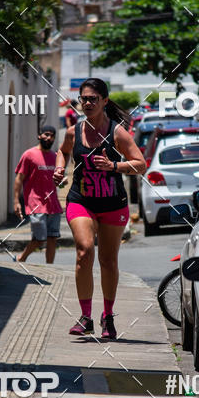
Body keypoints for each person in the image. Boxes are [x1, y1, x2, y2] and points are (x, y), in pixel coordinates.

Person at [53, 78, 146, 339]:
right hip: (80, 200)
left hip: (113, 203)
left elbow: (140, 164)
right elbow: (63, 151)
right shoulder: (74, 131)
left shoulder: (117, 132)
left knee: (107, 260)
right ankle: (85, 317)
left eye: (94, 98)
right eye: (84, 98)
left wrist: (115, 167)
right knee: (84, 251)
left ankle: (107, 316)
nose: (88, 103)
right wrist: (60, 169)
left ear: (105, 101)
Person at [14, 126, 62, 263]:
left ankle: (50, 267)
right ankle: (21, 258)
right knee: (40, 239)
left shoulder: (55, 157)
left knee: (53, 238)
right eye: (46, 134)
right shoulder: (29, 155)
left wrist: (63, 181)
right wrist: (16, 201)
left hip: (53, 205)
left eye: (52, 135)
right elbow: (19, 179)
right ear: (39, 136)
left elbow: (57, 180)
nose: (49, 138)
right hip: (36, 204)